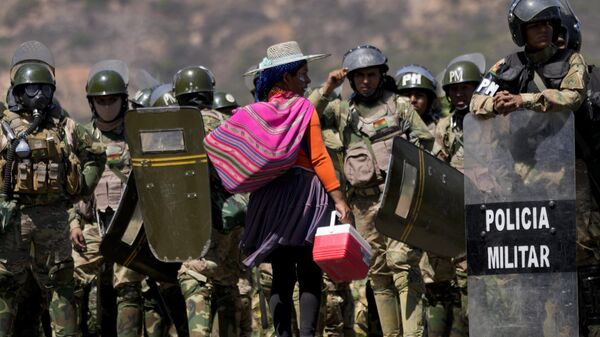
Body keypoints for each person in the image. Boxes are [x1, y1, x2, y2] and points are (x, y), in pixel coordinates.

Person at [310, 44, 433, 337]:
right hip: (362, 205)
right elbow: (306, 115)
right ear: (351, 78)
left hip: (399, 197)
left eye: (372, 75)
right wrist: (328, 86)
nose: (367, 81)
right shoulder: (341, 111)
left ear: (381, 75)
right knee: (377, 273)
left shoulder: (400, 106)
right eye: (360, 75)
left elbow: (425, 141)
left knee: (402, 264)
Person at [238, 41, 352, 337]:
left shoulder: (258, 111)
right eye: (302, 74)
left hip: (269, 198)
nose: (307, 80)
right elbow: (318, 156)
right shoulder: (302, 108)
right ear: (286, 77)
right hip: (304, 197)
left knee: (281, 273)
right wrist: (338, 199)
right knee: (310, 272)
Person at [0, 56, 106, 335]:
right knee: (5, 286)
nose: (39, 96)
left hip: (54, 218)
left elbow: (96, 152)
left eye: (45, 89)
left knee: (61, 286)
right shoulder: (4, 126)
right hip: (13, 217)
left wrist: (83, 187)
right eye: (32, 89)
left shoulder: (64, 126)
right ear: (18, 91)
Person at [173, 65, 246, 337]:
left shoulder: (182, 128)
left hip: (202, 218)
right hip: (235, 216)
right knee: (227, 282)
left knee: (192, 277)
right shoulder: (229, 122)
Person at [395, 64, 442, 133]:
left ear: (429, 101)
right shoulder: (391, 128)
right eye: (407, 95)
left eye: (419, 95)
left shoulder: (441, 130)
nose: (412, 100)